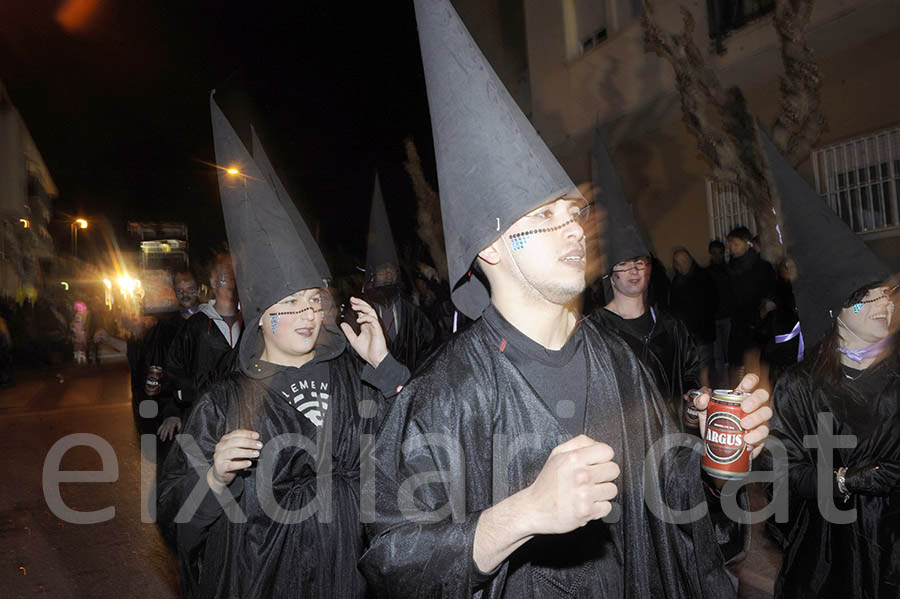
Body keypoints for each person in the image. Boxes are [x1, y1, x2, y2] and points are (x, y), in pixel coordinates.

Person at [359, 3, 772, 596]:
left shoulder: (623, 363)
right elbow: (393, 559)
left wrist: (717, 455)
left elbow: (675, 507)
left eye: (574, 212)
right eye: (545, 218)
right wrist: (522, 514)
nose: (576, 230)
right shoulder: (444, 395)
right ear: (491, 250)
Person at [158, 98, 409, 599]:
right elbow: (177, 524)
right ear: (261, 313)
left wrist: (385, 368)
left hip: (349, 579)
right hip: (259, 580)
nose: (308, 315)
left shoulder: (351, 375)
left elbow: (417, 446)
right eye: (290, 303)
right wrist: (213, 476)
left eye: (314, 301)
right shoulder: (226, 401)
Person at [754, 129, 899, 598]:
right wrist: (842, 479)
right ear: (836, 309)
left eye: (888, 295)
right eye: (867, 299)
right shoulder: (800, 386)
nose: (884, 308)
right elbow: (778, 471)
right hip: (829, 553)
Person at [589, 133, 707, 422]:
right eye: (625, 264)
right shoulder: (594, 334)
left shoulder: (673, 327)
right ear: (610, 274)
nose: (634, 270)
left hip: (675, 447)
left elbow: (690, 380)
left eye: (640, 262)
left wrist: (695, 402)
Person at [363, 173, 436, 371]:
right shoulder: (360, 314)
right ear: (372, 275)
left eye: (391, 269)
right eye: (381, 270)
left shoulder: (414, 315)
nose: (387, 273)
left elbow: (429, 352)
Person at [165, 253, 242, 415]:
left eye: (236, 273)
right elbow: (174, 368)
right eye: (225, 274)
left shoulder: (251, 324)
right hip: (205, 417)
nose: (231, 280)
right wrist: (182, 405)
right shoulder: (196, 325)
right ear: (213, 281)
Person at [140, 269, 201, 448]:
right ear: (174, 292)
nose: (185, 295)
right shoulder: (165, 329)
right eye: (180, 290)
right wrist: (170, 410)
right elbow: (156, 371)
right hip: (179, 410)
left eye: (190, 289)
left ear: (198, 289)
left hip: (208, 407)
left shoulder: (212, 322)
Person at [726, 225, 775, 383]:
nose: (731, 248)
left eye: (735, 244)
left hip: (758, 326)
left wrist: (765, 307)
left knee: (756, 367)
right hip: (738, 324)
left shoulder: (762, 267)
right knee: (737, 366)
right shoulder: (729, 269)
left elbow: (771, 292)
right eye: (730, 244)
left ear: (747, 243)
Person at [670, 247, 718, 381]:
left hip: (702, 335)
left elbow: (710, 305)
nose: (681, 265)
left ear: (690, 260)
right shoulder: (677, 281)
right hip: (687, 336)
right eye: (678, 263)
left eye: (684, 261)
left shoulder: (703, 278)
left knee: (704, 372)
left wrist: (697, 330)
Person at [707, 239, 733, 387]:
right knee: (718, 357)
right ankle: (723, 387)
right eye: (714, 253)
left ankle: (728, 385)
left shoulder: (728, 271)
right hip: (715, 319)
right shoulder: (707, 273)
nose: (717, 256)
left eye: (719, 253)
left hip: (727, 316)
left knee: (728, 355)